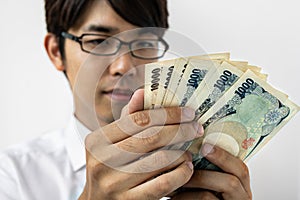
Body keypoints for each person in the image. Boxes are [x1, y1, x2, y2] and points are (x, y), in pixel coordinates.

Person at [0, 0, 252, 199]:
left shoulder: (208, 166)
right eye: (99, 41)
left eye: (143, 42)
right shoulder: (11, 176)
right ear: (56, 51)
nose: (124, 65)